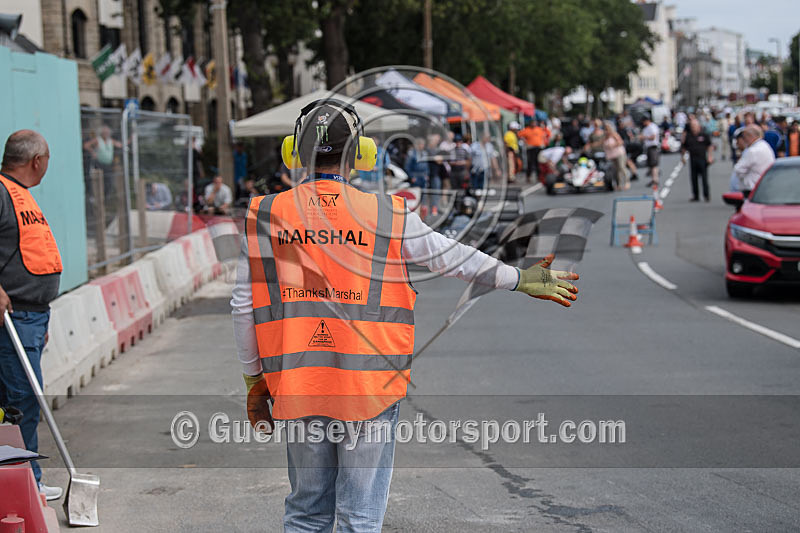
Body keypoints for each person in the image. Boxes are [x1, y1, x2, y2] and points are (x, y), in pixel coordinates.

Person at [231, 100, 580, 533]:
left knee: (306, 512)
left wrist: (253, 381)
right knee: (359, 517)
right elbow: (452, 258)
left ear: (294, 152)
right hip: (369, 388)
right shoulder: (388, 215)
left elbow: (243, 306)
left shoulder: (264, 215)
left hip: (299, 385)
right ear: (361, 153)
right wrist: (518, 278)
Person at [0, 130, 63, 501]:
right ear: (37, 160)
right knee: (21, 402)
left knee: (20, 401)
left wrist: (41, 316)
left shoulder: (18, 194)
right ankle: (27, 484)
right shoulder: (3, 191)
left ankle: (23, 480)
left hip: (30, 317)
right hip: (14, 318)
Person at [733, 125, 775, 196]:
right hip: (764, 185)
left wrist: (745, 179)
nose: (744, 140)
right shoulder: (765, 145)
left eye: (744, 137)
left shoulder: (753, 151)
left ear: (750, 136)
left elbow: (738, 169)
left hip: (752, 188)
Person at [681, 118, 714, 202]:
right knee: (693, 178)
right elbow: (684, 147)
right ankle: (696, 195)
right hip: (693, 159)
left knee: (704, 178)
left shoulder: (704, 135)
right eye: (692, 126)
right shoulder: (689, 136)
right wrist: (683, 157)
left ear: (698, 126)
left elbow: (709, 146)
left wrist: (710, 156)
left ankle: (706, 195)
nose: (693, 128)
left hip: (702, 159)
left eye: (695, 126)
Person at [602, 121, 629, 190]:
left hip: (619, 153)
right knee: (616, 170)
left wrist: (613, 145)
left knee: (621, 167)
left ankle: (627, 182)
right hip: (612, 155)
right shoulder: (605, 137)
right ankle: (619, 184)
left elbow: (620, 142)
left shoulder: (614, 134)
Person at [640, 115, 660, 187]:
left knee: (653, 164)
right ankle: (653, 179)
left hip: (653, 147)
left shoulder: (652, 127)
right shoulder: (646, 128)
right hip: (648, 147)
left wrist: (644, 137)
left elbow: (653, 137)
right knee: (651, 165)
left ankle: (655, 179)